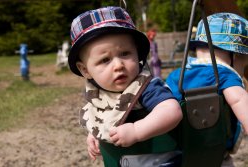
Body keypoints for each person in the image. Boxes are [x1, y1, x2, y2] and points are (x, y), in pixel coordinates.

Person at [68, 6, 182, 167]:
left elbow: (172, 111)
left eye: (125, 53)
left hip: (162, 162)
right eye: (105, 60)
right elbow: (102, 119)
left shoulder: (145, 87)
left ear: (137, 52)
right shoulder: (98, 95)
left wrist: (137, 130)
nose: (118, 65)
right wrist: (95, 135)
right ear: (85, 70)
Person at [166, 12, 248, 166]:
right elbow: (239, 99)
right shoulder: (224, 75)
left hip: (180, 156)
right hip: (215, 155)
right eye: (244, 64)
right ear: (234, 56)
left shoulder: (176, 76)